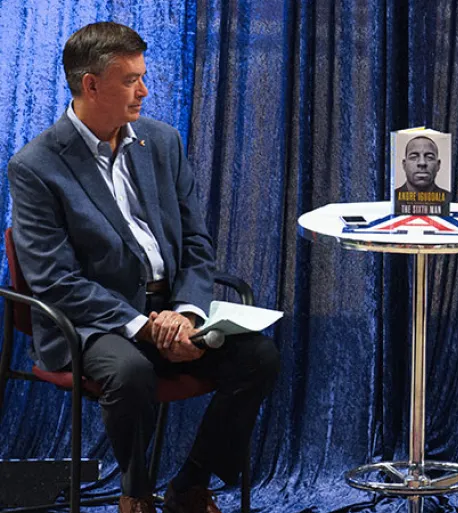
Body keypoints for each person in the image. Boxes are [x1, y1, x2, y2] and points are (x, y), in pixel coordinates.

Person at [7, 22, 280, 513]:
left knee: (258, 357)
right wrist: (144, 328)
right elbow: (53, 280)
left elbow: (197, 243)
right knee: (130, 372)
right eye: (131, 79)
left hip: (170, 311)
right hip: (91, 324)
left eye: (143, 76)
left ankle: (189, 486)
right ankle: (135, 494)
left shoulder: (162, 142)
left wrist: (186, 314)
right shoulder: (36, 166)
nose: (144, 90)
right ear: (91, 85)